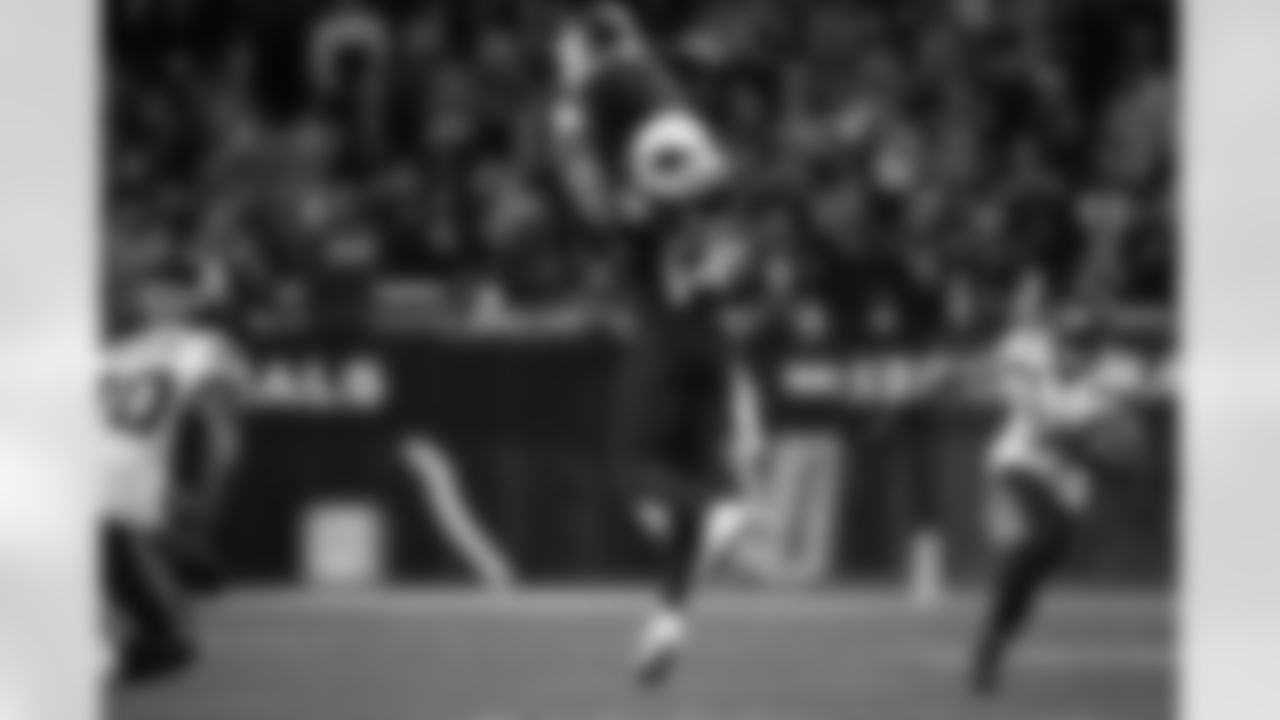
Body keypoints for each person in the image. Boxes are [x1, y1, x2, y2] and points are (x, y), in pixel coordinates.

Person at [548, 4, 763, 688]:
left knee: (635, 468)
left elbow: (595, 205)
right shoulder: (676, 114)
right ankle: (669, 618)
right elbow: (731, 228)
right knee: (687, 487)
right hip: (712, 331)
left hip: (667, 330)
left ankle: (726, 505)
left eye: (569, 48)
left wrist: (572, 146)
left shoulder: (606, 97)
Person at [969, 304, 1143, 695]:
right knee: (1042, 539)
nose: (1075, 354)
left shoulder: (1107, 388)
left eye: (1085, 347)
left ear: (1096, 352)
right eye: (1070, 344)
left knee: (1039, 565)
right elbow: (1040, 421)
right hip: (1019, 461)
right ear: (1056, 343)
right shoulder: (1029, 363)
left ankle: (994, 640)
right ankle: (995, 628)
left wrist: (1101, 456)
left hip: (1066, 484)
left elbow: (1118, 462)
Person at [101, 265, 244, 683]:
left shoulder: (204, 348)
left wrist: (203, 500)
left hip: (129, 473)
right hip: (106, 467)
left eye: (173, 292)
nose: (162, 300)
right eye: (156, 290)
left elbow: (220, 431)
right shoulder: (115, 348)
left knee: (118, 547)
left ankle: (164, 627)